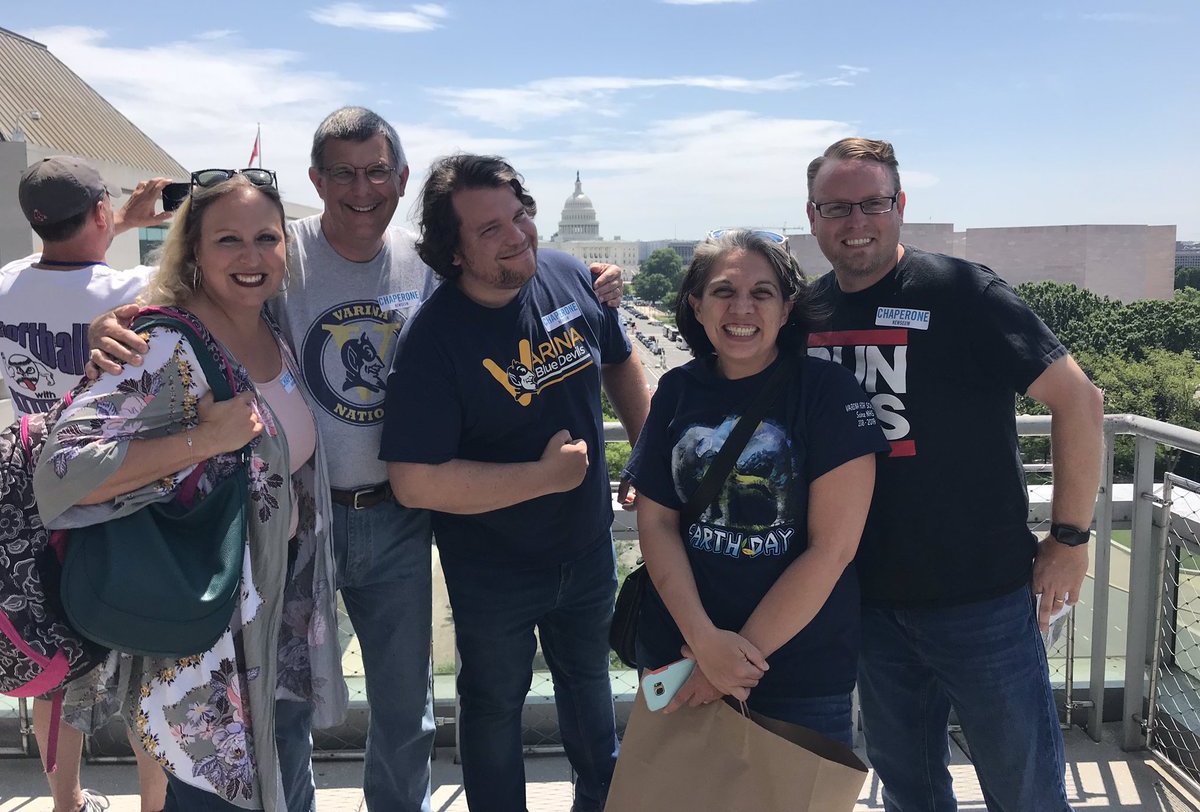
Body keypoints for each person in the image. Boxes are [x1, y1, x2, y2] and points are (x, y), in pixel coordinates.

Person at [86, 108, 626, 811]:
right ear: (316, 179)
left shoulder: (427, 259)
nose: (361, 188)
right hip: (294, 519)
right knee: (284, 705)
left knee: (406, 711)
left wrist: (592, 281)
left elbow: (504, 281)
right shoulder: (284, 251)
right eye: (342, 172)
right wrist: (110, 320)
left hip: (398, 518)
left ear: (402, 179)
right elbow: (194, 291)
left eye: (377, 171)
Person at [804, 138, 1105, 809]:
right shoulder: (808, 312)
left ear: (899, 206)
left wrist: (1071, 538)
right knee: (909, 789)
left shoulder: (962, 291)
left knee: (1023, 791)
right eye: (837, 207)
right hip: (868, 602)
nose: (856, 221)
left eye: (872, 203)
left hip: (982, 599)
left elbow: (1081, 401)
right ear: (813, 215)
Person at [33, 171, 346, 811]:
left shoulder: (270, 329)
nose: (251, 256)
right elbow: (60, 474)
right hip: (202, 636)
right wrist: (203, 441)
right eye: (227, 240)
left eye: (266, 238)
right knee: (207, 795)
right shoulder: (162, 343)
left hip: (269, 616)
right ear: (194, 251)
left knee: (272, 779)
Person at [381, 154, 649, 812]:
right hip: (494, 570)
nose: (518, 235)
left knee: (591, 698)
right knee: (494, 710)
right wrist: (541, 478)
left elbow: (619, 360)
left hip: (586, 551)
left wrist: (644, 454)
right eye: (490, 229)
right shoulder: (433, 341)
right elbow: (415, 482)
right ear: (453, 254)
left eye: (520, 215)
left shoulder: (566, 272)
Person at [623, 229, 887, 745]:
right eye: (724, 291)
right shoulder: (677, 390)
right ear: (697, 307)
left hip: (798, 670)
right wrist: (703, 644)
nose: (741, 308)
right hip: (679, 652)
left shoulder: (827, 393)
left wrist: (729, 662)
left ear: (787, 309)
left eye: (761, 293)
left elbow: (832, 548)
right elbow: (656, 521)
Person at [0, 156, 171, 812]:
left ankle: (67, 801)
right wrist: (139, 218)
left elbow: (61, 252)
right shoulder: (135, 286)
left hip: (36, 498)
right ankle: (154, 803)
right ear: (101, 212)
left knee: (56, 670)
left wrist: (113, 216)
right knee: (147, 658)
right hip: (119, 491)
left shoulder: (9, 282)